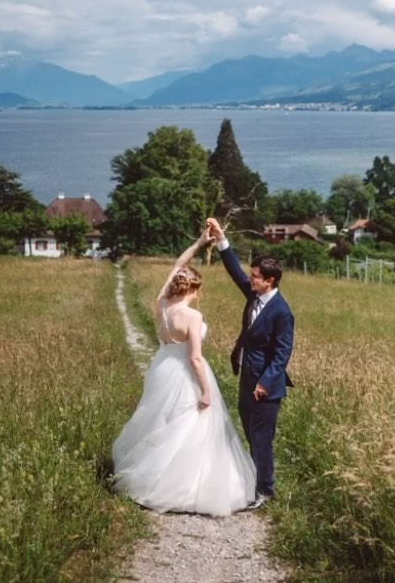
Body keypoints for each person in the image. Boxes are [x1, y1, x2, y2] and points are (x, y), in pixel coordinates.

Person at [112, 230, 256, 516]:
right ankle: (187, 487)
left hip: (163, 367)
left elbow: (178, 264)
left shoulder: (162, 303)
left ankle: (154, 476)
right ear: (194, 289)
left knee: (164, 421)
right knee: (194, 423)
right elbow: (196, 359)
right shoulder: (192, 316)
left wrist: (199, 244)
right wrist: (205, 390)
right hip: (185, 372)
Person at [206, 218, 294, 510]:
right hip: (246, 378)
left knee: (261, 438)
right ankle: (253, 482)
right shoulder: (255, 296)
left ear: (270, 281)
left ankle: (265, 490)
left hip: (264, 387)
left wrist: (264, 384)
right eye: (253, 275)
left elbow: (282, 353)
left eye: (256, 276)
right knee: (250, 435)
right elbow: (234, 272)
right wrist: (221, 239)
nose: (250, 279)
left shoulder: (281, 312)